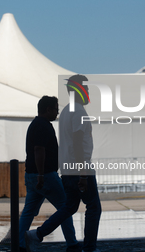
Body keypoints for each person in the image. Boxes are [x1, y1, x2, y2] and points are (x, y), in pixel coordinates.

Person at [25, 75, 102, 252]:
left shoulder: (67, 111)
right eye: (86, 88)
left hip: (68, 170)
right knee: (94, 208)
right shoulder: (79, 112)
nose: (88, 91)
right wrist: (83, 173)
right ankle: (90, 248)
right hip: (80, 169)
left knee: (69, 207)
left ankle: (36, 235)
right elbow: (77, 143)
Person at [19, 96, 81, 252]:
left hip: (31, 175)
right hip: (45, 175)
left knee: (28, 212)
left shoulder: (35, 124)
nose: (57, 113)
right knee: (65, 207)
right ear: (47, 109)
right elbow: (39, 150)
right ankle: (71, 243)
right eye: (55, 109)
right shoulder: (43, 126)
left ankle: (19, 243)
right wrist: (41, 175)